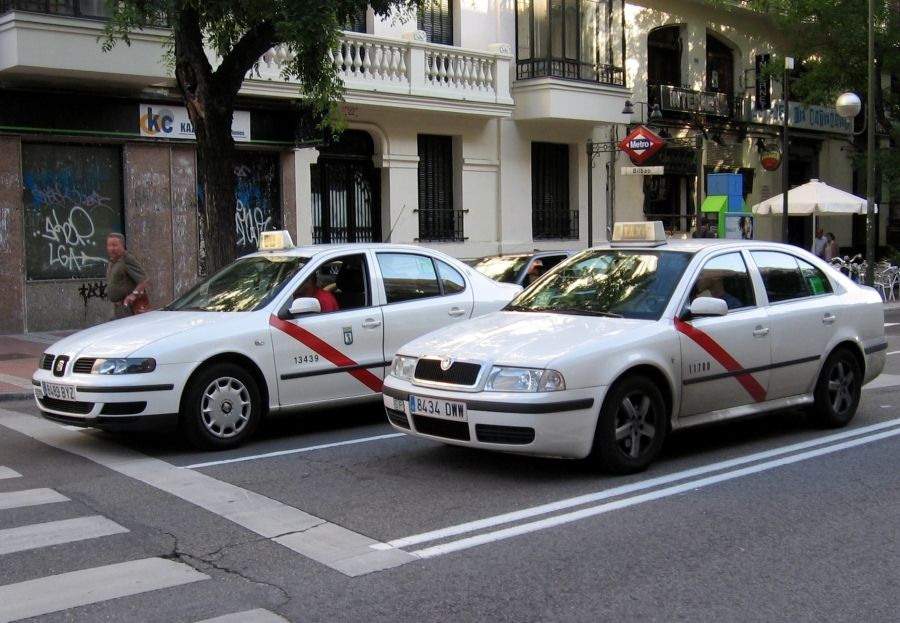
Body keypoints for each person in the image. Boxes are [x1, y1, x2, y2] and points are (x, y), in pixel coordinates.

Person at [105, 232, 149, 320]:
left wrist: (133, 295)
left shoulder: (127, 259)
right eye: (109, 245)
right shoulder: (113, 260)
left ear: (122, 245)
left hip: (128, 307)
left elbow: (144, 279)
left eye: (114, 245)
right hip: (116, 307)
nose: (111, 248)